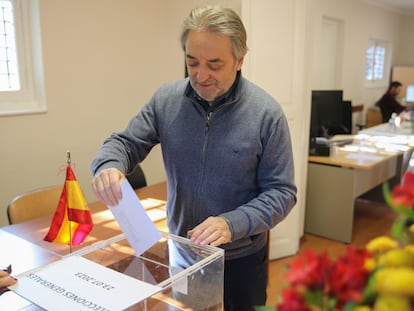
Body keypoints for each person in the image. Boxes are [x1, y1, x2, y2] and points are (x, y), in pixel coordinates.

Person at [91, 5, 297, 311]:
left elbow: (282, 193)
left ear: (240, 60)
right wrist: (109, 165)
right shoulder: (166, 100)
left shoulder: (267, 115)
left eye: (214, 65)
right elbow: (124, 142)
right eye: (192, 63)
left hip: (239, 260)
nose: (201, 76)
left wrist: (232, 223)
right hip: (183, 253)